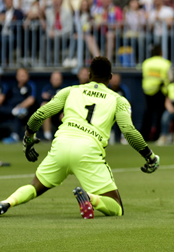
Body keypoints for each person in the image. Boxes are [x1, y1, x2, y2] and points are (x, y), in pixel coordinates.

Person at [0, 57, 160, 218]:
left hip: (61, 145)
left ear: (89, 75)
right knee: (116, 207)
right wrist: (150, 156)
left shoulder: (70, 91)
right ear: (110, 78)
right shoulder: (118, 100)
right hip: (88, 150)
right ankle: (89, 198)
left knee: (34, 186)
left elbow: (39, 115)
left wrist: (28, 139)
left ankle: (7, 202)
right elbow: (129, 131)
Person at [140, 45, 173, 141]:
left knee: (148, 114)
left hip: (147, 90)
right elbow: (170, 77)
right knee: (160, 114)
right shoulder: (165, 63)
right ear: (161, 53)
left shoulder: (146, 63)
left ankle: (144, 136)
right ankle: (157, 136)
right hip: (160, 90)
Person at [0, 68, 37, 144]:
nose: (22, 77)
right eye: (20, 75)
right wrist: (13, 110)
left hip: (25, 111)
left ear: (27, 76)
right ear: (17, 76)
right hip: (11, 110)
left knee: (20, 113)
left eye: (24, 75)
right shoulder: (13, 87)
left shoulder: (30, 85)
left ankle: (15, 136)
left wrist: (19, 107)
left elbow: (31, 100)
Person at [40, 71, 64, 141]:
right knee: (44, 107)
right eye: (55, 79)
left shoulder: (65, 88)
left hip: (61, 112)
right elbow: (43, 100)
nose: (56, 81)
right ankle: (47, 136)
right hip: (51, 112)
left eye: (58, 79)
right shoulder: (46, 88)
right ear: (51, 80)